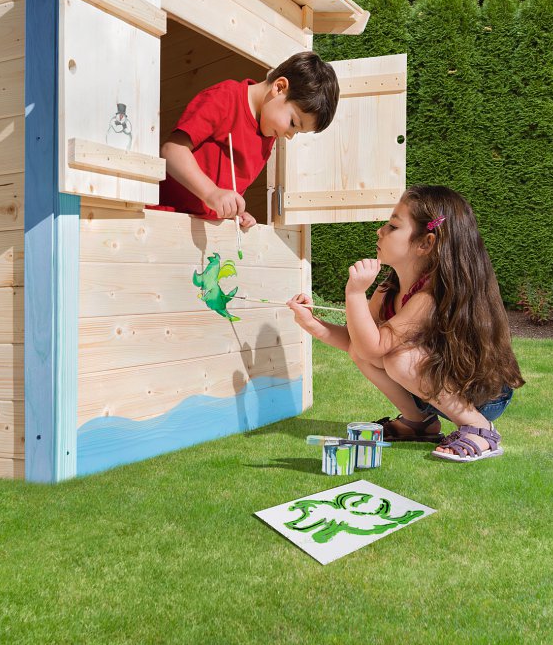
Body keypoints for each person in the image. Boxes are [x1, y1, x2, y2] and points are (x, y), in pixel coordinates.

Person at [288, 185, 525, 462]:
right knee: (365, 352)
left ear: (426, 243)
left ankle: (481, 430)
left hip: (481, 393)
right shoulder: (389, 289)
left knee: (398, 358)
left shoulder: (430, 297)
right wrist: (314, 324)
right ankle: (420, 423)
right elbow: (360, 345)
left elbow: (376, 347)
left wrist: (353, 293)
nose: (380, 231)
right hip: (438, 388)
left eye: (392, 226)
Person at [154, 51, 340, 227]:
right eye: (293, 123)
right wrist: (211, 193)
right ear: (279, 87)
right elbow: (172, 151)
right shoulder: (226, 98)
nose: (290, 136)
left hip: (202, 231)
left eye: (298, 132)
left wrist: (235, 210)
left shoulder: (268, 133)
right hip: (163, 217)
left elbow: (227, 188)